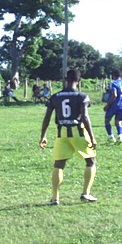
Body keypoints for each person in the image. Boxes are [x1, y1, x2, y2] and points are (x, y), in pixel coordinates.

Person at [39, 69, 98, 205]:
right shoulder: (82, 96)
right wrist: (92, 137)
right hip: (78, 132)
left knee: (58, 165)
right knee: (91, 161)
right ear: (79, 81)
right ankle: (86, 193)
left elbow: (47, 117)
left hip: (62, 134)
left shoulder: (55, 96)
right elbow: (84, 117)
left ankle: (55, 199)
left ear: (65, 79)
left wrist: (43, 136)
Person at [104, 69, 122, 144]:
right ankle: (120, 136)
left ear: (113, 76)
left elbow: (115, 95)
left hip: (114, 105)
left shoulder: (114, 83)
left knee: (107, 121)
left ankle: (111, 137)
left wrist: (108, 105)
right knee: (118, 122)